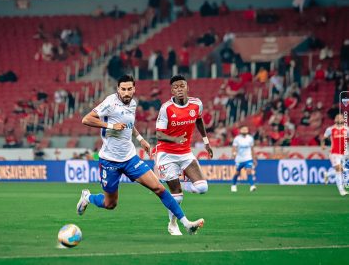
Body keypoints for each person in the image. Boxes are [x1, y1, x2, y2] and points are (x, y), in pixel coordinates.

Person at [77, 75, 204, 235]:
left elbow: (129, 124)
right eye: (123, 89)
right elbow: (86, 119)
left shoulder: (133, 103)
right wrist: (111, 125)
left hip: (130, 158)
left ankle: (186, 224)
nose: (126, 92)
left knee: (158, 188)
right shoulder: (110, 102)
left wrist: (140, 138)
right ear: (118, 89)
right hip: (110, 161)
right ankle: (87, 197)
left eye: (129, 89)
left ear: (134, 89)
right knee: (110, 204)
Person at [154, 75, 213, 236]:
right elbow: (158, 134)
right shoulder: (166, 108)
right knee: (177, 197)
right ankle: (173, 224)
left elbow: (199, 120)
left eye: (182, 86)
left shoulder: (196, 104)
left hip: (185, 153)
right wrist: (174, 139)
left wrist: (206, 141)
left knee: (202, 188)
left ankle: (186, 183)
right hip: (166, 155)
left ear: (187, 87)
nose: (179, 89)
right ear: (172, 91)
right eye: (176, 87)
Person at [322, 114, 348, 196]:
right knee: (339, 169)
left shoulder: (347, 129)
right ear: (335, 120)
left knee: (342, 169)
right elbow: (324, 138)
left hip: (344, 153)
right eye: (337, 117)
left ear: (343, 119)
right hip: (334, 153)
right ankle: (341, 190)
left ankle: (328, 174)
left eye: (341, 118)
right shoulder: (330, 129)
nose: (339, 119)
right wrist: (323, 145)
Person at [231, 126, 258, 192]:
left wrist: (254, 158)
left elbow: (252, 149)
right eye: (243, 129)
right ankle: (233, 185)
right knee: (237, 172)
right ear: (240, 130)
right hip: (239, 158)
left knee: (249, 170)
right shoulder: (237, 139)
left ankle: (252, 186)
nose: (245, 130)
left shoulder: (250, 138)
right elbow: (234, 147)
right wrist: (234, 154)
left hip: (248, 158)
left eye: (246, 129)